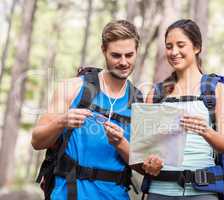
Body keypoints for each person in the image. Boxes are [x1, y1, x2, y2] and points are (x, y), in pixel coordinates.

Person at [31, 20, 142, 200]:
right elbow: (37, 141)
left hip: (116, 195)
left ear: (137, 52)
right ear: (103, 50)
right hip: (69, 193)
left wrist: (120, 143)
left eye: (129, 55)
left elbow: (142, 165)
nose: (123, 62)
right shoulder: (72, 88)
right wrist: (62, 122)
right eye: (116, 55)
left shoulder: (139, 101)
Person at [142, 19, 224, 200]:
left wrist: (205, 131)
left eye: (180, 45)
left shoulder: (216, 90)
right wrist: (149, 161)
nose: (174, 52)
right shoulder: (155, 94)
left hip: (202, 192)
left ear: (197, 47)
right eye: (169, 46)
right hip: (159, 190)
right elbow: (146, 148)